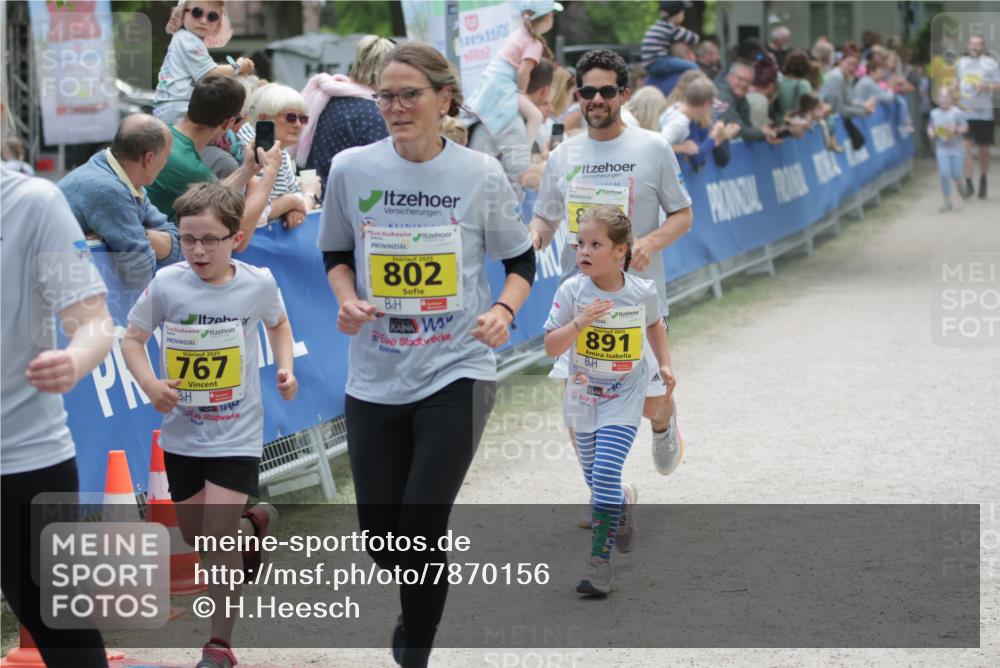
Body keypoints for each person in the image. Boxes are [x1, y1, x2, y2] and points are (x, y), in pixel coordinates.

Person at [318, 43, 534, 668]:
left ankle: (415, 648)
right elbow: (334, 252)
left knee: (420, 527)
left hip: (458, 369)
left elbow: (518, 261)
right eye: (385, 95)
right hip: (375, 374)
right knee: (384, 542)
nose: (395, 106)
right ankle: (416, 618)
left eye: (410, 93)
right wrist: (347, 297)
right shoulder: (351, 169)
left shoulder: (479, 174)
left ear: (445, 98)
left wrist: (503, 311)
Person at [122, 182, 297, 668]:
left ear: (236, 239)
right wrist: (151, 385)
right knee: (199, 535)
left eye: (210, 239)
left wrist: (286, 368)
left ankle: (219, 645)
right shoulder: (167, 285)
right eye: (188, 238)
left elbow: (278, 324)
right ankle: (252, 525)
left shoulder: (256, 283)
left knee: (216, 542)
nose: (198, 250)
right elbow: (132, 340)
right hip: (183, 433)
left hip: (237, 430)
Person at [529, 48, 692, 484]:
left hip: (636, 297)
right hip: (580, 299)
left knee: (647, 401)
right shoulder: (564, 155)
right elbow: (545, 217)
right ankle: (607, 496)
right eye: (586, 91)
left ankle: (663, 423)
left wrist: (650, 242)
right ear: (577, 96)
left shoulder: (653, 148)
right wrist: (532, 238)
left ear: (624, 94)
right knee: (579, 404)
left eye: (605, 91)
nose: (595, 100)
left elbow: (683, 214)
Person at [2, 166, 115, 668]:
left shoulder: (34, 203)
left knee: (55, 617)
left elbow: (93, 320)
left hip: (24, 452)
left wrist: (75, 359)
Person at [543, 205, 675, 595]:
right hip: (583, 395)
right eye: (580, 243)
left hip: (624, 395)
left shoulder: (640, 291)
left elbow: (654, 322)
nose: (583, 251)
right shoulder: (571, 291)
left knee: (603, 474)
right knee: (596, 478)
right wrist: (580, 323)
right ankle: (621, 503)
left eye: (595, 244)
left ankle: (599, 564)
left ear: (621, 251)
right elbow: (551, 346)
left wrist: (664, 364)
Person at [147, 75, 282, 248]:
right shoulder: (192, 169)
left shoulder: (167, 139)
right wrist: (270, 174)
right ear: (228, 123)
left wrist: (248, 169)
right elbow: (237, 241)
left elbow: (214, 193)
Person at [58, 114, 180, 289]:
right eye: (166, 156)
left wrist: (135, 233)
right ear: (149, 159)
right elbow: (141, 274)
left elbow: (176, 242)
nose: (166, 162)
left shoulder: (122, 178)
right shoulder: (108, 190)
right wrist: (135, 235)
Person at [295, 34, 394, 189]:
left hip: (311, 195)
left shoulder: (326, 99)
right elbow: (386, 169)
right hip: (350, 201)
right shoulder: (375, 113)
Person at [465, 0, 561, 149]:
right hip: (504, 85)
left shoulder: (518, 33)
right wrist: (521, 92)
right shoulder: (534, 43)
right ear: (549, 17)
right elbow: (523, 71)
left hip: (492, 80)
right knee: (536, 117)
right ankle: (524, 150)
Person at [237, 83, 321, 228]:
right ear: (264, 118)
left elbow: (295, 193)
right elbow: (257, 215)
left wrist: (291, 209)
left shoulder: (280, 151)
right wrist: (305, 198)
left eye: (303, 119)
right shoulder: (249, 148)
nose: (298, 124)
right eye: (290, 117)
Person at [467, 58, 553, 198]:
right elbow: (524, 176)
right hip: (486, 205)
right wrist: (557, 163)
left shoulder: (501, 108)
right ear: (545, 91)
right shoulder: (509, 119)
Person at [155, 1, 253, 124]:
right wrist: (238, 66)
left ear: (219, 23)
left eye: (212, 16)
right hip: (179, 108)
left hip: (173, 106)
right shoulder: (188, 40)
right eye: (197, 12)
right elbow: (210, 73)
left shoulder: (186, 38)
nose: (203, 20)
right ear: (182, 14)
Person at [660, 75, 738, 169]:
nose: (711, 110)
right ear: (705, 105)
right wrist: (683, 148)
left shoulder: (676, 107)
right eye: (711, 105)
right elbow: (657, 146)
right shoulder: (681, 121)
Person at [957, 34, 999, 199]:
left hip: (984, 113)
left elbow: (998, 84)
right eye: (972, 44)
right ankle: (969, 183)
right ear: (968, 45)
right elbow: (957, 82)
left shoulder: (991, 64)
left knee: (983, 150)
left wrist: (985, 86)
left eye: (978, 45)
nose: (974, 47)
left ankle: (983, 178)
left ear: (983, 47)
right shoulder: (961, 63)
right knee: (966, 148)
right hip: (966, 112)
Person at [716, 61, 783, 143]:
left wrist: (767, 136)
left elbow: (747, 127)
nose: (744, 84)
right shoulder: (721, 96)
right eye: (741, 79)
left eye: (749, 82)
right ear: (729, 77)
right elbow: (736, 130)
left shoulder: (741, 98)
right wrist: (762, 133)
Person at [928, 87, 970, 212]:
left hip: (957, 149)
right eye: (942, 96)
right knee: (944, 173)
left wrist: (956, 131)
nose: (944, 99)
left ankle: (960, 184)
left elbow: (965, 127)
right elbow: (931, 126)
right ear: (937, 99)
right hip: (942, 149)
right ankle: (947, 201)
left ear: (952, 99)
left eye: (947, 97)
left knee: (956, 174)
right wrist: (931, 133)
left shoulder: (957, 112)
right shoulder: (934, 113)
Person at [641, 0, 700, 76]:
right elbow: (694, 39)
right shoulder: (671, 28)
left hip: (648, 64)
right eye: (682, 13)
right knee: (693, 66)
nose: (683, 15)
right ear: (676, 15)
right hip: (659, 61)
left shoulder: (657, 26)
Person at [820, 51, 877, 120]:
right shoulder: (836, 77)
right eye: (849, 64)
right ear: (841, 62)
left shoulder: (848, 78)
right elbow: (839, 109)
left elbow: (849, 102)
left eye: (855, 66)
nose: (852, 68)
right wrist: (864, 111)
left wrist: (864, 106)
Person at [778, 50, 815, 116]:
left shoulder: (778, 82)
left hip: (781, 119)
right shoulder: (804, 84)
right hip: (798, 122)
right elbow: (808, 108)